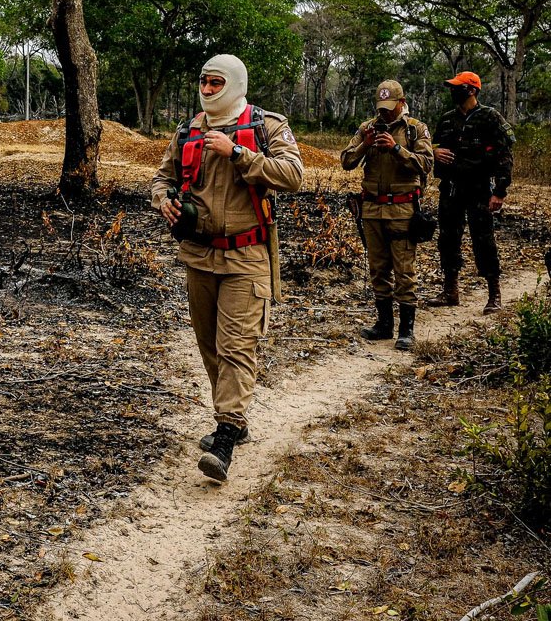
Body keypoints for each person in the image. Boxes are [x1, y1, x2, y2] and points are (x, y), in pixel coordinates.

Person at [151, 54, 303, 483]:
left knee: (237, 346)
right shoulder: (188, 129)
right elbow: (161, 178)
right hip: (199, 255)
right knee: (210, 346)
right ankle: (236, 418)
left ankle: (224, 437)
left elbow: (294, 175)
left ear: (234, 82)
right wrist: (164, 201)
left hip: (247, 257)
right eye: (203, 81)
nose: (208, 88)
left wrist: (238, 153)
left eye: (217, 82)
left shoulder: (265, 125)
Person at [340, 81, 434, 350]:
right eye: (381, 109)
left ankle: (406, 329)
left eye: (390, 109)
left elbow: (426, 163)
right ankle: (384, 324)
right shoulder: (367, 128)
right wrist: (364, 145)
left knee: (404, 269)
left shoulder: (416, 128)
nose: (385, 114)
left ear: (401, 102)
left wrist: (396, 148)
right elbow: (346, 161)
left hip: (403, 209)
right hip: (371, 209)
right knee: (378, 268)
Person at [429, 71, 515, 314]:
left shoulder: (490, 117)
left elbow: (504, 157)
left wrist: (499, 191)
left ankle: (494, 294)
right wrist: (435, 152)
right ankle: (450, 290)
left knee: (483, 240)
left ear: (473, 90)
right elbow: (432, 146)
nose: (453, 91)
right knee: (447, 239)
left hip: (479, 189)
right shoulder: (447, 119)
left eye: (459, 87)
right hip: (451, 189)